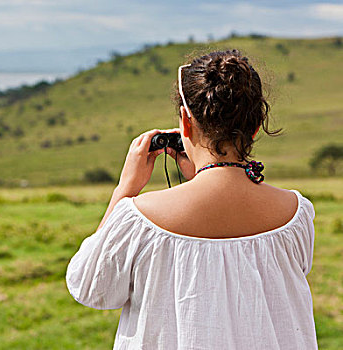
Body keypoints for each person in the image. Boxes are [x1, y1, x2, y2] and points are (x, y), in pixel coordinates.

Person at [66, 50, 317, 349]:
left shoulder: (139, 218)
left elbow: (90, 288)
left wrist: (124, 190)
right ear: (254, 127)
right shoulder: (296, 214)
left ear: (185, 122)